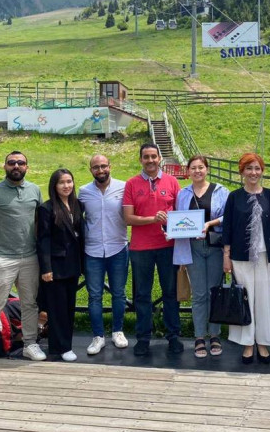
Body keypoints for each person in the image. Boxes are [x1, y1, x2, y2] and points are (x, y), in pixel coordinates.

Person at [0, 151, 46, 375]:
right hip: (3, 259)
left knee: (30, 304)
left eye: (21, 163)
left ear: (27, 167)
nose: (16, 166)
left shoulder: (34, 190)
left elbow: (39, 222)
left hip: (30, 257)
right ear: (4, 166)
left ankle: (30, 344)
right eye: (12, 162)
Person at [222, 153, 270, 364]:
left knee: (265, 300)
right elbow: (227, 228)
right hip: (241, 256)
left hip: (265, 256)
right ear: (242, 171)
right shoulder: (234, 197)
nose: (253, 173)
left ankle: (263, 342)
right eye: (249, 168)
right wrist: (226, 256)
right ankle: (247, 343)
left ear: (262, 171)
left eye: (257, 168)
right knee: (244, 300)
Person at [123, 143, 183, 356]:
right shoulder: (131, 184)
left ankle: (173, 336)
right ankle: (143, 338)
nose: (150, 160)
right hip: (141, 248)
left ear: (159, 159)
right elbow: (128, 218)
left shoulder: (172, 181)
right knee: (142, 295)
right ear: (140, 160)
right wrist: (153, 219)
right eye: (146, 157)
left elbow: (180, 213)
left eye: (153, 156)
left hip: (168, 246)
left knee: (171, 293)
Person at [174, 155, 229, 358]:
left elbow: (228, 215)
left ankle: (214, 335)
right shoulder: (183, 194)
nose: (197, 171)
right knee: (199, 294)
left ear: (207, 169)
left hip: (215, 247)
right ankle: (199, 336)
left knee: (214, 292)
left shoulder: (221, 191)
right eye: (193, 168)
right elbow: (178, 218)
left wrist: (209, 224)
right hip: (192, 247)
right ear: (188, 171)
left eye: (201, 167)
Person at [79, 154, 130, 355]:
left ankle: (118, 331)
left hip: (118, 248)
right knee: (94, 296)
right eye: (96, 167)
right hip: (92, 250)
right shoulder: (83, 192)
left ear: (110, 166)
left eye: (103, 166)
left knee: (119, 293)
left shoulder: (123, 187)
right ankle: (98, 336)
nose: (100, 170)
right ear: (90, 170)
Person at [36, 169, 84, 362]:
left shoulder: (77, 205)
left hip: (73, 265)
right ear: (54, 186)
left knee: (69, 307)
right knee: (57, 310)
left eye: (69, 181)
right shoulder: (46, 208)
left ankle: (65, 344)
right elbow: (43, 240)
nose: (66, 186)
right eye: (62, 182)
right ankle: (60, 347)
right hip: (55, 267)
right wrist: (46, 268)